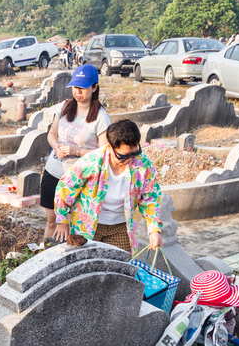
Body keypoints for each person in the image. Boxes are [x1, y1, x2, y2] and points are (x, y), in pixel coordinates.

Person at [52, 119, 162, 254]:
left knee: (120, 266)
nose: (130, 159)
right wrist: (62, 219)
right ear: (110, 147)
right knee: (88, 267)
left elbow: (150, 198)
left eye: (135, 153)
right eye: (123, 156)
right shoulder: (91, 162)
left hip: (121, 226)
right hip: (88, 225)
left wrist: (154, 229)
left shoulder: (143, 164)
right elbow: (65, 189)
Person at [41, 65, 111, 243]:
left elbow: (104, 153)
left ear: (94, 87)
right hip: (53, 172)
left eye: (82, 88)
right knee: (51, 222)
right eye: (74, 87)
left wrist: (76, 151)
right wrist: (56, 146)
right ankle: (47, 257)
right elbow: (51, 134)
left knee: (74, 226)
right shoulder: (65, 106)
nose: (77, 92)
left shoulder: (101, 117)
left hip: (79, 179)